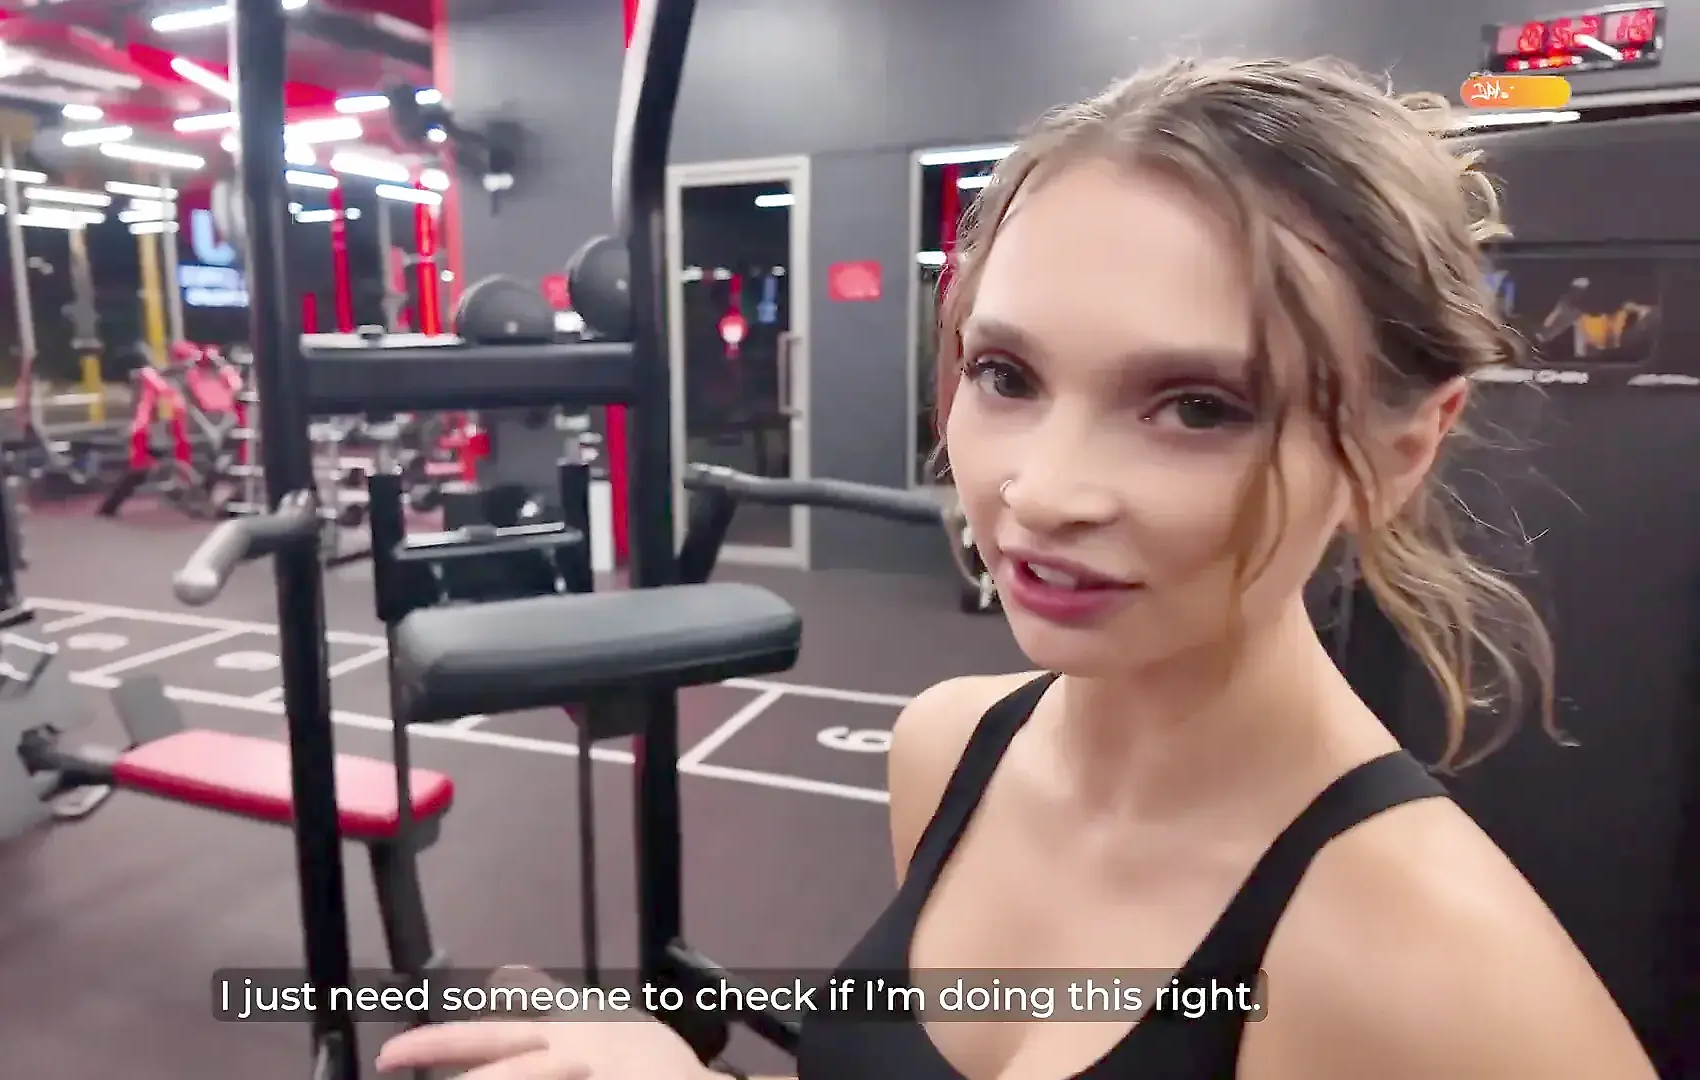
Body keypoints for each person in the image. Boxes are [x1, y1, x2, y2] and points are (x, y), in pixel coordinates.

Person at [374, 57, 1661, 1080]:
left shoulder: (1437, 970)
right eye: (1006, 374)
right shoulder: (947, 750)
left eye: (1198, 406)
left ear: (1399, 451)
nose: (1040, 492)